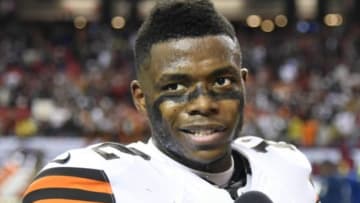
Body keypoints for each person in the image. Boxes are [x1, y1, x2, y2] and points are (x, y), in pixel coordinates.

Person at [23, 0, 318, 202]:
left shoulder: (287, 167)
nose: (203, 103)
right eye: (175, 86)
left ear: (243, 83)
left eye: (221, 81)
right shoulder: (93, 181)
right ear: (141, 98)